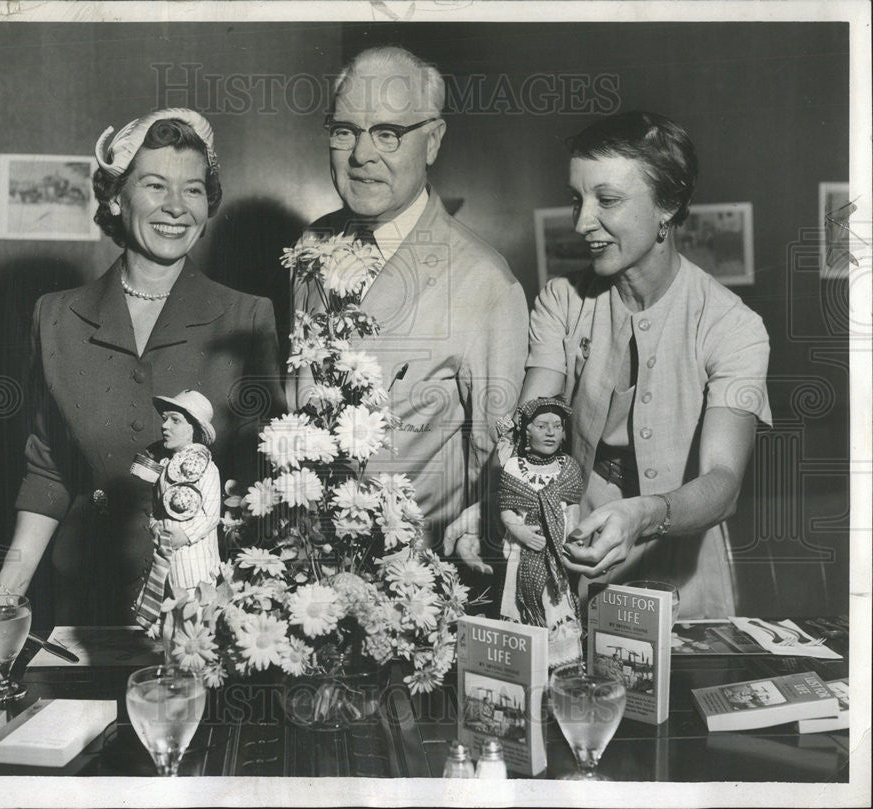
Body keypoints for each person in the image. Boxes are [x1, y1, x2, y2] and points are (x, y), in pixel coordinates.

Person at [0, 108, 284, 628]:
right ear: (114, 196)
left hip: (205, 601)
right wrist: (3, 595)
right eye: (155, 186)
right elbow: (48, 472)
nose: (176, 207)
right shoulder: (56, 316)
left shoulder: (248, 317)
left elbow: (267, 482)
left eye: (193, 190)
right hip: (88, 598)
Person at [519, 111, 771, 618]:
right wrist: (499, 503)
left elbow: (722, 484)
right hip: (574, 539)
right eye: (577, 198)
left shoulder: (734, 326)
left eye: (607, 200)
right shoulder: (560, 302)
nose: (582, 221)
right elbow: (529, 435)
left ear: (668, 206)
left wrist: (643, 515)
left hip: (684, 559)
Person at [288, 46, 529, 558]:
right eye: (345, 130)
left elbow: (497, 462)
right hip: (303, 562)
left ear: (433, 141)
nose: (361, 155)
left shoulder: (485, 283)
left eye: (388, 133)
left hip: (413, 583)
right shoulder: (311, 246)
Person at [497, 397, 584, 666]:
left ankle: (561, 659)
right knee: (517, 599)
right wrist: (521, 533)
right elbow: (506, 509)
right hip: (521, 554)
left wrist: (572, 536)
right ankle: (524, 661)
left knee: (555, 601)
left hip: (556, 554)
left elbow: (572, 506)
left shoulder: (568, 468)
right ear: (527, 430)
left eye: (557, 426)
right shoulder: (513, 468)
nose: (550, 432)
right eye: (543, 425)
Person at [133, 390, 222, 632]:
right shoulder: (165, 467)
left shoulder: (209, 470)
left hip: (196, 558)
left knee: (196, 614)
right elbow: (157, 509)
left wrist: (185, 535)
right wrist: (154, 526)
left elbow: (212, 516)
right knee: (170, 613)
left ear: (194, 428)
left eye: (175, 420)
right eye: (165, 419)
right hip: (166, 557)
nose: (165, 426)